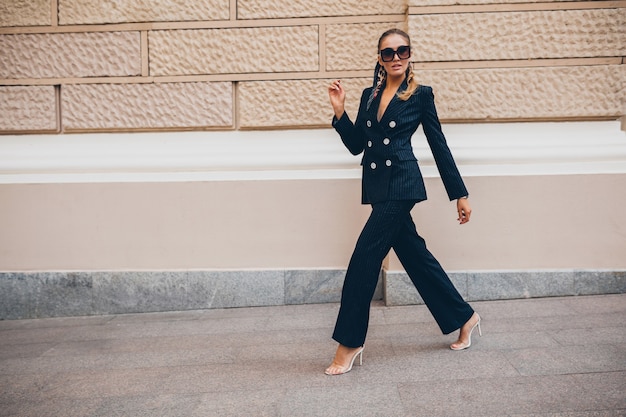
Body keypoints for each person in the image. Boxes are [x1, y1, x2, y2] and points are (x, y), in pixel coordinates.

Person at [324, 28, 481, 376]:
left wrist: (460, 194)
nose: (396, 57)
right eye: (388, 53)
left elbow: (439, 145)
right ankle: (464, 317)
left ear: (410, 54)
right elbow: (357, 145)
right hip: (378, 186)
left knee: (365, 257)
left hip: (403, 184)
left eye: (402, 51)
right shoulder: (368, 95)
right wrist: (340, 113)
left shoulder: (421, 95)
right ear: (379, 59)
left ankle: (349, 343)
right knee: (415, 257)